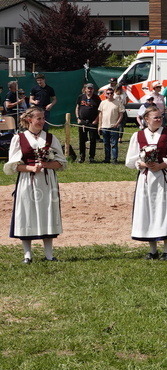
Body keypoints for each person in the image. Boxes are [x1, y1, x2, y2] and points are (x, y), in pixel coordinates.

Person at [4, 107, 66, 262]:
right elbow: (12, 166)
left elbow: (61, 163)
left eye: (43, 118)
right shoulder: (19, 138)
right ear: (29, 119)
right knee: (27, 212)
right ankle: (27, 255)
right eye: (38, 118)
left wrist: (45, 164)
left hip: (47, 181)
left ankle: (49, 254)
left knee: (47, 212)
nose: (42, 121)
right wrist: (30, 167)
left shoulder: (50, 138)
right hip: (27, 181)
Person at [126, 106, 167, 259]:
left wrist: (161, 165)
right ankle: (152, 250)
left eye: (160, 117)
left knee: (164, 209)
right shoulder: (138, 136)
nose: (159, 120)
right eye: (156, 117)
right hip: (146, 178)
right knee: (148, 210)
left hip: (164, 177)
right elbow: (130, 161)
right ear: (146, 119)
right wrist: (144, 164)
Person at [97, 87, 125, 163]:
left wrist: (117, 124)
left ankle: (114, 159)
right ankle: (107, 159)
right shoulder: (103, 103)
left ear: (113, 94)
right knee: (106, 144)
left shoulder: (118, 102)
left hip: (114, 127)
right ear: (106, 94)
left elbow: (121, 114)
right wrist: (99, 125)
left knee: (114, 144)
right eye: (108, 93)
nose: (110, 95)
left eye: (111, 93)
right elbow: (100, 114)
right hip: (104, 126)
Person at [75, 83, 101, 163]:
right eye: (88, 88)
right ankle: (82, 156)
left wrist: (96, 120)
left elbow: (100, 111)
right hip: (82, 121)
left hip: (92, 122)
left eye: (91, 89)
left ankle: (91, 157)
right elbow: (77, 108)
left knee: (93, 140)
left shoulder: (97, 98)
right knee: (82, 140)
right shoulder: (81, 97)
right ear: (85, 89)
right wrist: (78, 118)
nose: (90, 90)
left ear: (93, 90)